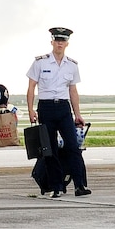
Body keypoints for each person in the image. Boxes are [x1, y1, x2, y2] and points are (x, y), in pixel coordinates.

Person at [27, 27, 89, 197]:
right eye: (57, 40)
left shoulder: (72, 65)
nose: (60, 43)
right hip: (46, 108)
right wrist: (30, 109)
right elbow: (31, 87)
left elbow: (73, 91)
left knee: (73, 146)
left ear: (67, 43)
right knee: (50, 149)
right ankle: (57, 186)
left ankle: (79, 185)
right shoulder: (40, 62)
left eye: (63, 41)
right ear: (52, 42)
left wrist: (77, 114)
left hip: (63, 108)